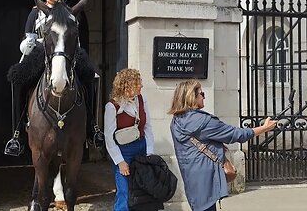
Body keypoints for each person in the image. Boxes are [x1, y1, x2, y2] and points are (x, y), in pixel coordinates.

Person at [4, 0, 104, 156]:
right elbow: (29, 37)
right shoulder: (36, 12)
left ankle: (92, 128)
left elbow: (74, 37)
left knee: (93, 77)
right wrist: (29, 45)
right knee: (17, 79)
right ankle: (17, 133)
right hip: (42, 51)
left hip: (67, 52)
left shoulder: (70, 12)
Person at [168, 79, 277, 211]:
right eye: (201, 94)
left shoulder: (176, 121)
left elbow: (193, 143)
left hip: (191, 177)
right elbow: (236, 134)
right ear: (192, 97)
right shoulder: (203, 121)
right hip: (207, 177)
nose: (204, 97)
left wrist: (215, 144)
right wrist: (264, 128)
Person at [104, 68, 155, 211]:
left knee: (142, 189)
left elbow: (148, 127)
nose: (141, 85)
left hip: (142, 147)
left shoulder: (142, 99)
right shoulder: (112, 107)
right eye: (138, 82)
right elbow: (109, 137)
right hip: (123, 151)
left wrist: (149, 153)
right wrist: (120, 162)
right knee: (124, 191)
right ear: (127, 85)